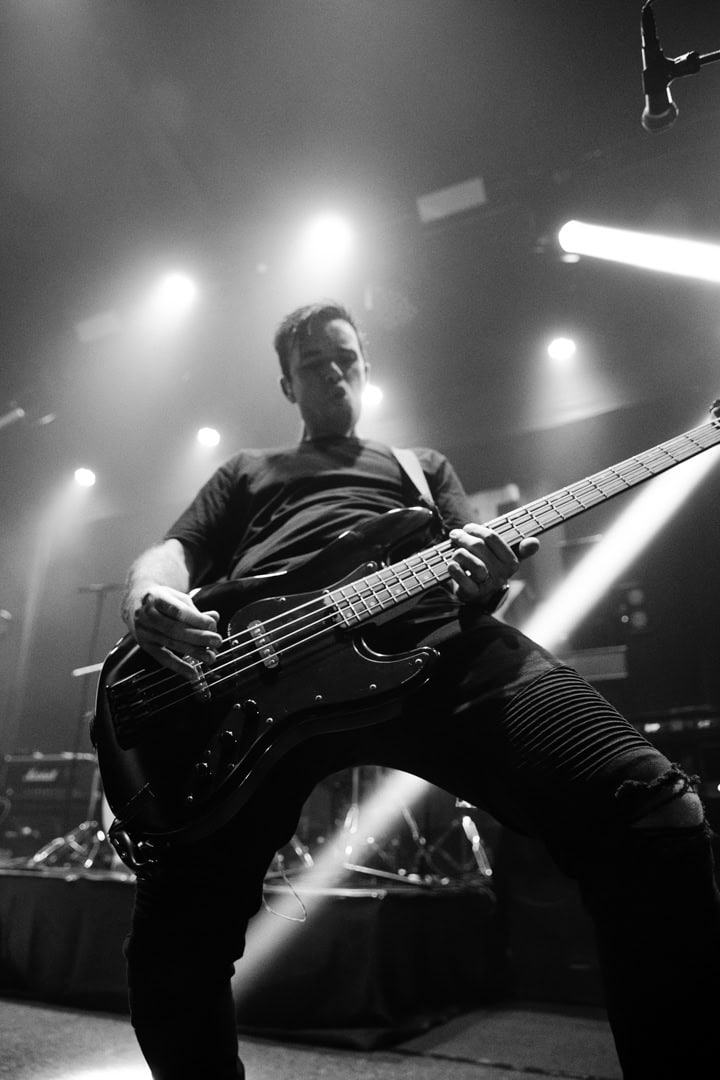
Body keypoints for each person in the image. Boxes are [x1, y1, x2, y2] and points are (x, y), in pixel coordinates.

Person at [118, 300, 719, 1080]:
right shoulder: (247, 470)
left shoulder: (420, 468)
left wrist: (484, 579)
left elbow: (481, 575)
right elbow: (171, 550)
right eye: (313, 365)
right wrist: (148, 598)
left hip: (431, 644)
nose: (334, 373)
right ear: (287, 385)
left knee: (654, 812)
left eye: (346, 358)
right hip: (258, 671)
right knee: (173, 935)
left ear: (367, 367)